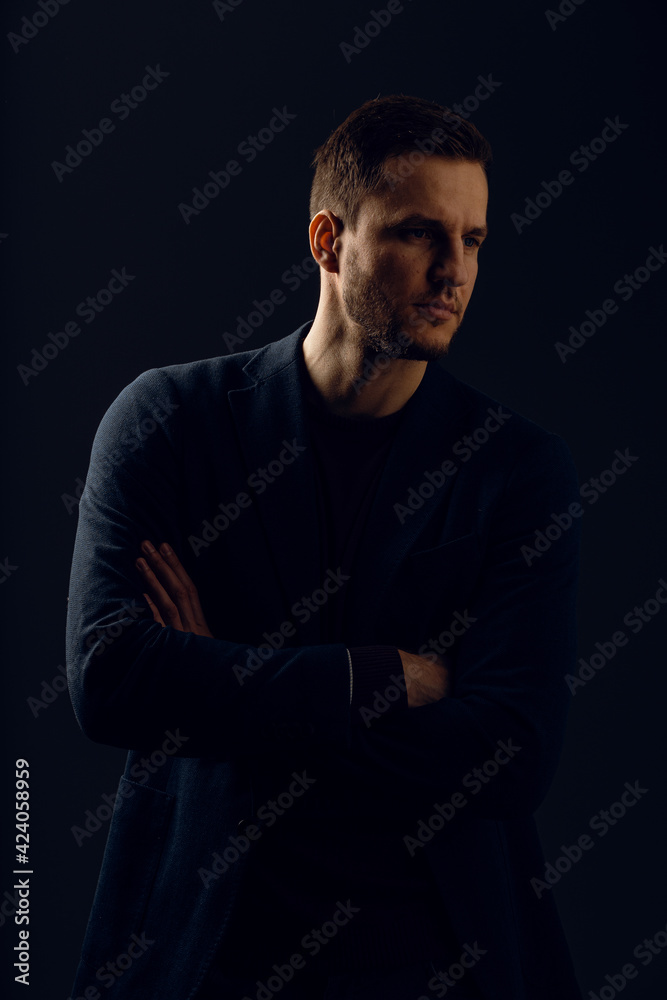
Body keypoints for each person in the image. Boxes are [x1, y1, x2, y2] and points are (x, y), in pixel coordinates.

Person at [66, 95, 583, 999]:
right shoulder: (169, 422)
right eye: (420, 233)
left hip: (442, 957)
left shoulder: (516, 469)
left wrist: (222, 682)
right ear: (326, 240)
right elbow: (110, 680)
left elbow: (512, 753)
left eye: (472, 241)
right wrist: (377, 679)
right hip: (204, 955)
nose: (451, 271)